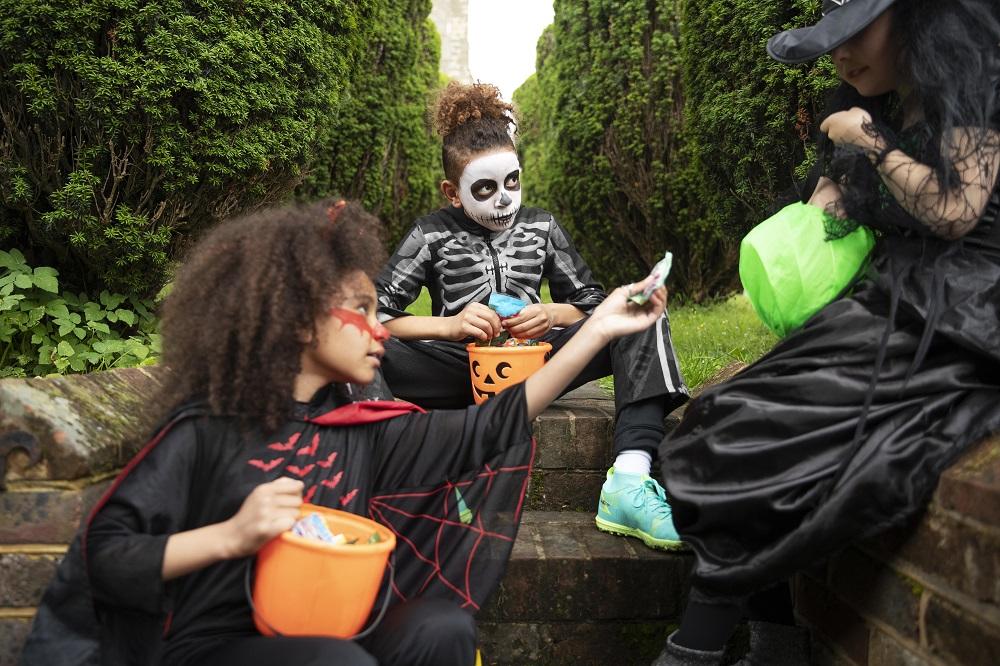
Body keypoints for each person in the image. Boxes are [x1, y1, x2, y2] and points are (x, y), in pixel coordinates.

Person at [19, 200, 669, 666]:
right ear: (299, 320)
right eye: (361, 309)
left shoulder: (361, 429)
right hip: (209, 644)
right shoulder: (207, 430)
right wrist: (232, 535)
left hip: (330, 627)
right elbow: (107, 558)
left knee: (440, 630)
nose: (380, 327)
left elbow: (489, 426)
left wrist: (599, 328)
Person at [651, 1, 1000, 664]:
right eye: (830, 38)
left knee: (761, 433)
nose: (839, 54)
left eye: (854, 32)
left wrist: (872, 142)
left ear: (912, 16)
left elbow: (957, 209)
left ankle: (696, 651)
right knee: (722, 417)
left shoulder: (971, 79)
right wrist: (828, 199)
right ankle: (772, 642)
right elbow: (842, 215)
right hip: (892, 300)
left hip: (961, 319)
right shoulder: (880, 100)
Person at [375, 81, 690, 551]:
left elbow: (590, 301)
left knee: (639, 316)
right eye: (485, 188)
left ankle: (629, 477)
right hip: (459, 369)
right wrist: (449, 326)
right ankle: (396, 480)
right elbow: (375, 313)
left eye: (512, 182)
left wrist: (549, 314)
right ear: (453, 192)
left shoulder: (542, 225)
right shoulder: (430, 232)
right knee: (362, 347)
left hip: (539, 365)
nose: (504, 198)